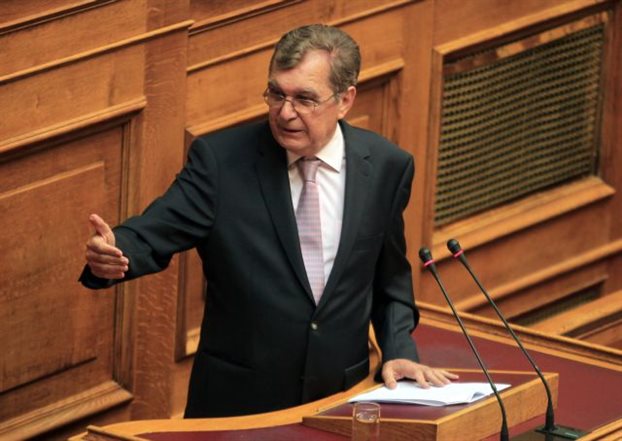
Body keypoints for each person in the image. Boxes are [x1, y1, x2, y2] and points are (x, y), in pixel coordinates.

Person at [80, 24, 457, 418]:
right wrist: (114, 249)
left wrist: (398, 350)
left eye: (304, 99)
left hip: (340, 399)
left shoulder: (385, 166)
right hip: (239, 407)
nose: (285, 112)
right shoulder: (221, 162)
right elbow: (156, 229)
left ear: (345, 100)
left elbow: (390, 278)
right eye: (277, 94)